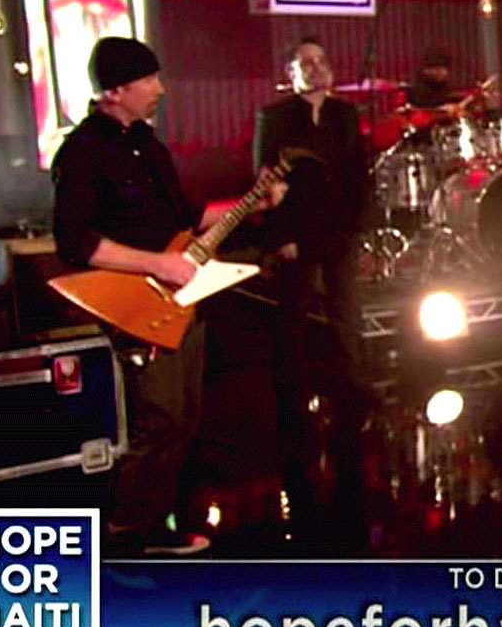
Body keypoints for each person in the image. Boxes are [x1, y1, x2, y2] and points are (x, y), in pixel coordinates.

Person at [51, 36, 284, 555]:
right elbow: (76, 242)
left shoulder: (150, 147)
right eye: (149, 80)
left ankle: (156, 525)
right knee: (161, 420)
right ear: (114, 91)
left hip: (181, 301)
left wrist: (254, 203)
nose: (161, 88)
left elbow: (189, 217)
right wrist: (158, 264)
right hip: (137, 305)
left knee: (187, 417)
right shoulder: (83, 152)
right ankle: (124, 534)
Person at [252, 36, 374, 552]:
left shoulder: (345, 115)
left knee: (348, 313)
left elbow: (359, 175)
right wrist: (280, 236)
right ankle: (291, 406)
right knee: (294, 319)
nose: (317, 68)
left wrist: (358, 229)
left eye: (322, 60)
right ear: (291, 72)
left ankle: (354, 395)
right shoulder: (275, 117)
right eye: (306, 62)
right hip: (298, 232)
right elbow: (265, 181)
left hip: (339, 230)